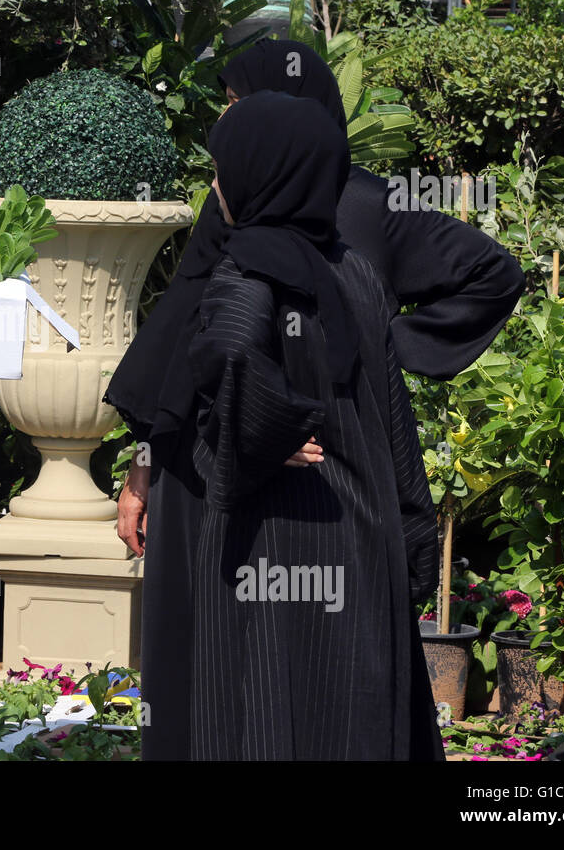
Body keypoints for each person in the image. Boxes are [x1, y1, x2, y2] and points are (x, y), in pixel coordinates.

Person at [104, 39, 524, 760]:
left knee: (255, 682)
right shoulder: (271, 222)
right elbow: (179, 344)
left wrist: (293, 407)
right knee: (318, 681)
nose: (233, 124)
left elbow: (225, 341)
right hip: (260, 477)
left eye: (242, 107)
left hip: (259, 485)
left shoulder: (315, 216)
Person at [192, 89, 438, 758]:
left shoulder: (247, 272)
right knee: (352, 719)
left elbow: (234, 348)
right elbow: (395, 418)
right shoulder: (353, 271)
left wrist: (258, 437)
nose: (215, 187)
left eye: (222, 169)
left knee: (268, 713)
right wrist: (412, 536)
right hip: (363, 535)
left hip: (277, 536)